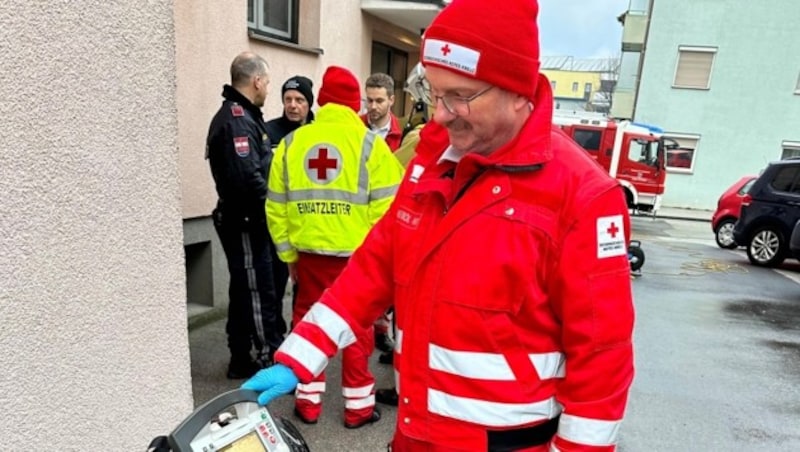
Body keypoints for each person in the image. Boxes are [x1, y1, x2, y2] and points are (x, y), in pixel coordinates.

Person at [243, 0, 635, 449]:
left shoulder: (582, 196)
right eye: (434, 93)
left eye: (460, 96)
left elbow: (602, 360)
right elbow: (372, 271)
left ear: (517, 91)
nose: (441, 113)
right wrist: (301, 354)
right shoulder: (431, 165)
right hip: (415, 434)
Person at [264, 65, 405, 429]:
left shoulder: (293, 143)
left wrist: (288, 256)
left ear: (322, 101)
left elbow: (275, 205)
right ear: (353, 103)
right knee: (355, 327)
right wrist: (377, 256)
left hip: (308, 255)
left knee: (307, 322)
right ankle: (358, 409)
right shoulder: (371, 145)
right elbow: (390, 207)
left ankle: (307, 403)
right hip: (356, 258)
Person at [205, 52, 284, 379]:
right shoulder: (238, 119)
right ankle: (269, 360)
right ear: (256, 81)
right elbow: (247, 180)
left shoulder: (242, 116)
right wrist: (273, 210)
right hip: (247, 222)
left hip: (244, 221)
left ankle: (240, 355)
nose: (267, 88)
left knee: (242, 289)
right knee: (257, 291)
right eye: (266, 82)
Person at [264, 75, 316, 331]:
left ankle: (301, 335)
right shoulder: (269, 131)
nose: (293, 105)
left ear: (309, 103)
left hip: (309, 225)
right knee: (273, 286)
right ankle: (275, 337)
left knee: (304, 291)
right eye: (288, 99)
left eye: (299, 100)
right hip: (281, 224)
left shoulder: (319, 133)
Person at [360, 72, 403, 358]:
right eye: (368, 100)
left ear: (391, 100)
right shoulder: (355, 129)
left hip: (394, 220)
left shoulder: (406, 134)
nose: (372, 107)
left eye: (378, 101)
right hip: (360, 218)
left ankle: (389, 337)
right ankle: (367, 331)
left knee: (394, 284)